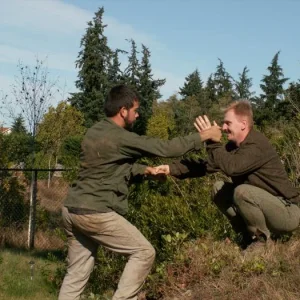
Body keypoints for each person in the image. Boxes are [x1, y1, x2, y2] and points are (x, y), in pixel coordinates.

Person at [58, 84, 221, 300]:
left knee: (76, 275)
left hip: (72, 211)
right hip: (95, 213)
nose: (137, 115)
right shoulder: (122, 137)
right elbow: (166, 148)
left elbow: (108, 168)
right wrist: (204, 135)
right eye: (135, 110)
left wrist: (144, 170)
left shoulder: (94, 132)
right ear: (123, 111)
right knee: (144, 252)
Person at [156, 100, 300, 249]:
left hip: (287, 213)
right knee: (219, 188)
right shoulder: (233, 147)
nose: (224, 128)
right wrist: (170, 168)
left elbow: (233, 168)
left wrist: (213, 143)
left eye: (228, 123)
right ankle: (247, 236)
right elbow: (207, 165)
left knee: (242, 191)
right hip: (267, 206)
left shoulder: (257, 144)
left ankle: (260, 241)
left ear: (243, 124)